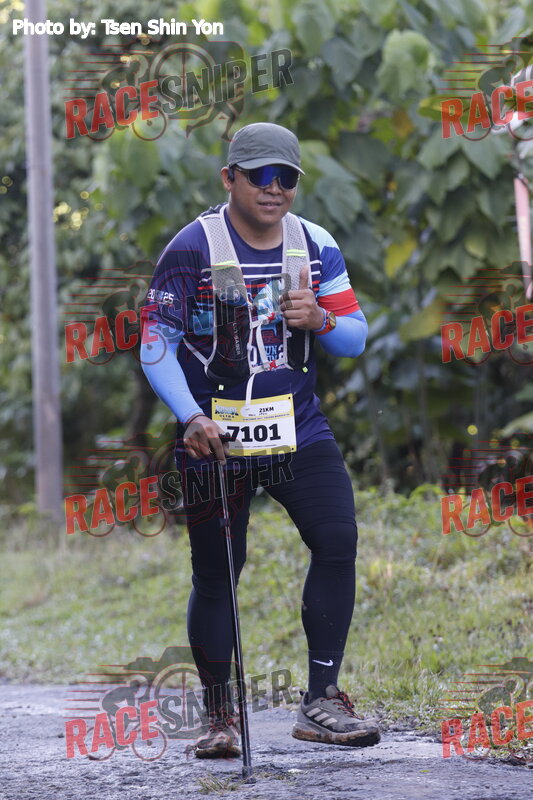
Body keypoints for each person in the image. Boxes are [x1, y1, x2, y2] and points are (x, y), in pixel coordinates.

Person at [140, 122, 380, 758]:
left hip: (297, 427)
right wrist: (190, 417)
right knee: (218, 572)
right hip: (213, 438)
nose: (274, 188)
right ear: (230, 178)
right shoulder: (192, 248)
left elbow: (356, 336)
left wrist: (321, 318)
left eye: (286, 177)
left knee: (338, 540)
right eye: (259, 176)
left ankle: (322, 700)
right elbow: (155, 344)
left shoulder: (315, 244)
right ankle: (221, 718)